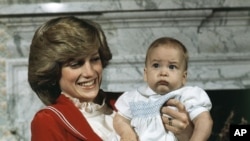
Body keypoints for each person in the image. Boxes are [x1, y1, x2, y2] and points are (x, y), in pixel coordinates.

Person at [28, 16, 195, 141]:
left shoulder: (126, 102)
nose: (90, 72)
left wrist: (184, 132)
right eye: (76, 64)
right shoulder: (48, 121)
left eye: (94, 59)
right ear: (53, 71)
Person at [114, 37, 213, 141]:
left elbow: (204, 121)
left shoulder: (186, 95)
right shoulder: (134, 97)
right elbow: (120, 119)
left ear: (183, 77)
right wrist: (126, 133)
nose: (163, 73)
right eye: (156, 65)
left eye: (172, 67)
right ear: (146, 74)